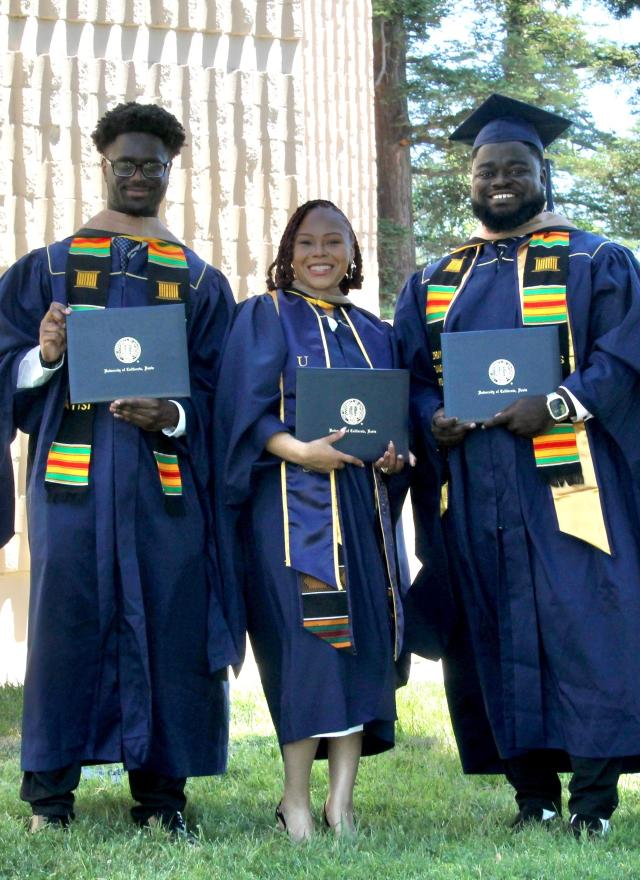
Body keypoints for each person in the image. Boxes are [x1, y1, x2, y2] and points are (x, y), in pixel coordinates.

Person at [394, 94, 640, 838]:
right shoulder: (437, 276)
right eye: (486, 169)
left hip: (570, 481)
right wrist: (431, 416)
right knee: (491, 628)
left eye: (516, 167)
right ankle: (530, 794)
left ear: (544, 173)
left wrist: (559, 404)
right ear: (469, 181)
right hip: (473, 486)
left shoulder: (597, 260)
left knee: (586, 624)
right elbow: (410, 374)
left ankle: (593, 804)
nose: (500, 180)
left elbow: (624, 358)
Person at [0, 102, 241, 836]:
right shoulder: (47, 268)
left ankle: (162, 799)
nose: (139, 175)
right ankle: (49, 799)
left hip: (164, 490)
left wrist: (171, 416)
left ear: (172, 170)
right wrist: (42, 356)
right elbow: (3, 366)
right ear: (101, 165)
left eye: (153, 164)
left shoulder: (198, 281)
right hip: (70, 488)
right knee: (65, 628)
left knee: (168, 627)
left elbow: (222, 394)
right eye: (126, 163)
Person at [214, 200, 407, 841]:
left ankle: (341, 805)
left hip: (362, 509)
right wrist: (299, 449)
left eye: (334, 241)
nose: (319, 253)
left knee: (359, 650)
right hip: (290, 510)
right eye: (307, 242)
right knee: (307, 648)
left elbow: (395, 430)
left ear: (352, 252)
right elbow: (239, 413)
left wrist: (390, 454)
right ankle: (295, 800)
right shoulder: (263, 317)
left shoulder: (375, 331)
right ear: (288, 250)